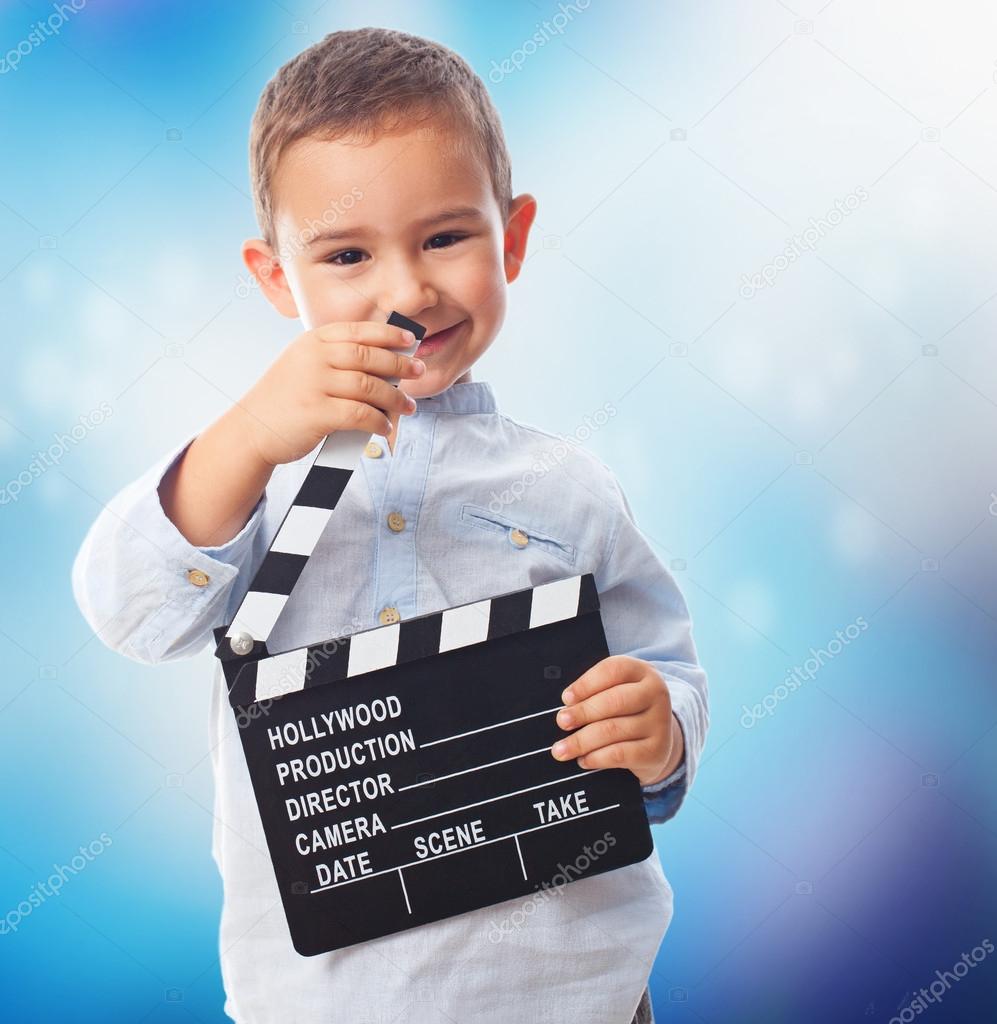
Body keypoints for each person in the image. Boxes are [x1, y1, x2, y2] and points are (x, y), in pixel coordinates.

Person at [71, 27, 709, 1024]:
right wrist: (242, 438)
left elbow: (664, 666)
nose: (406, 289)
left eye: (445, 237)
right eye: (347, 254)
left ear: (513, 236)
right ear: (278, 278)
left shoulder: (569, 487)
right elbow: (128, 609)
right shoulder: (250, 484)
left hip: (574, 1001)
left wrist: (660, 730)